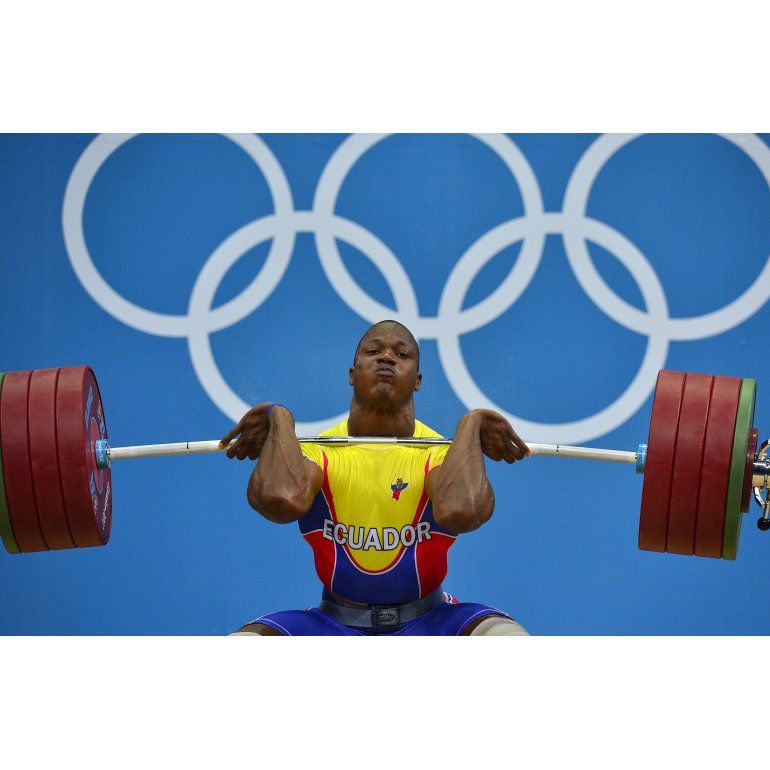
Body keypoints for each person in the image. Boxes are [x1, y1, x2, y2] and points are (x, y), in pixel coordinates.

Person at [222, 320, 530, 636]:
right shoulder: (317, 451)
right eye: (373, 351)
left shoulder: (439, 454)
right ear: (351, 375)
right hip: (332, 624)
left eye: (402, 354)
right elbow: (279, 500)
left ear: (418, 381)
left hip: (434, 620)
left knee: (508, 639)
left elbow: (463, 511)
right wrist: (279, 420)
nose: (386, 357)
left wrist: (472, 424)